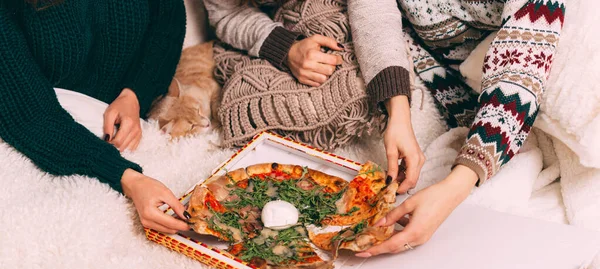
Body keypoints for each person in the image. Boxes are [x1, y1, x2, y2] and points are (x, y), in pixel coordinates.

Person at [348, 0, 566, 257]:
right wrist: (398, 110)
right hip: (437, 59)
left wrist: (455, 186)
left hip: (533, 59)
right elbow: (373, 9)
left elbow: (521, 66)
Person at [0, 0, 190, 234]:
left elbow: (167, 23)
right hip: (43, 140)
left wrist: (135, 93)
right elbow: (28, 112)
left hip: (132, 120)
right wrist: (127, 178)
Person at [204, 0, 387, 150]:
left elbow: (372, 11)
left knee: (362, 85)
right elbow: (226, 13)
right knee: (258, 104)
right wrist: (286, 48)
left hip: (342, 13)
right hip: (271, 27)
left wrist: (394, 95)